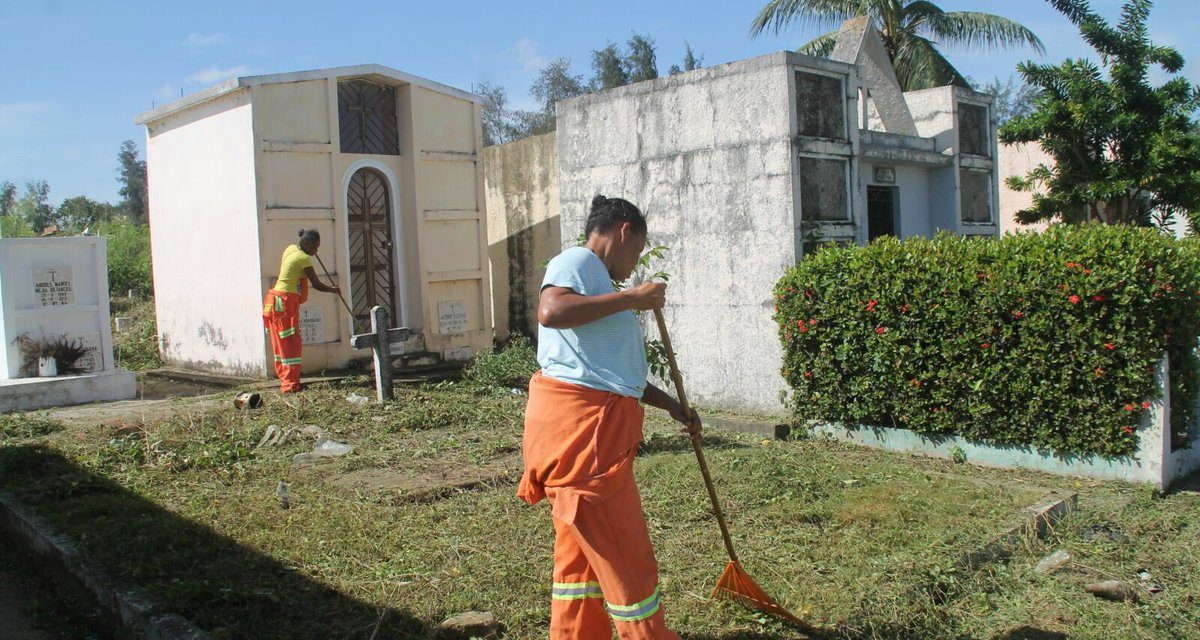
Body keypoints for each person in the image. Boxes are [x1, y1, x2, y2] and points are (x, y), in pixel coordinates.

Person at [519, 195, 701, 640]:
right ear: (624, 231)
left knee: (580, 560)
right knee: (625, 554)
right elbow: (551, 311)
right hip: (585, 437)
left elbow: (615, 376)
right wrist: (632, 299)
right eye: (637, 249)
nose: (634, 261)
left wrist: (673, 407)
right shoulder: (577, 261)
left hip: (585, 431)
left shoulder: (599, 283)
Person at [262, 229, 340, 393]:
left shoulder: (290, 249)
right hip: (285, 302)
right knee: (291, 345)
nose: (316, 251)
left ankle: (288, 379)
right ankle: (291, 385)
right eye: (315, 247)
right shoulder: (304, 258)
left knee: (280, 344)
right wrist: (334, 290)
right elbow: (317, 284)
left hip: (274, 300)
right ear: (306, 243)